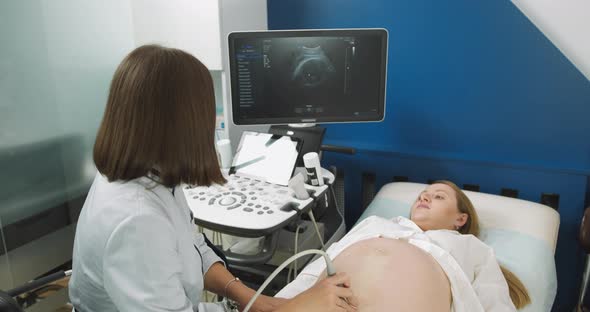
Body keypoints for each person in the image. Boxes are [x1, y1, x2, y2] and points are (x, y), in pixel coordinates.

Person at [68, 45, 358, 312]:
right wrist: (293, 308)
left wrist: (254, 301)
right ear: (186, 124)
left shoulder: (150, 174)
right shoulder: (135, 218)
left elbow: (195, 248)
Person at [277, 180, 530, 312]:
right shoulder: (376, 224)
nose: (425, 196)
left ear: (460, 219)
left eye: (438, 196)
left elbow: (494, 301)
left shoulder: (470, 247)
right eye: (423, 195)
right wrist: (283, 301)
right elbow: (322, 263)